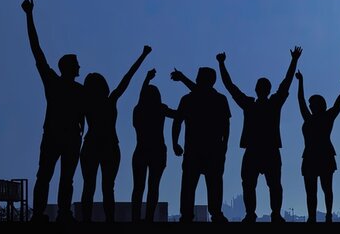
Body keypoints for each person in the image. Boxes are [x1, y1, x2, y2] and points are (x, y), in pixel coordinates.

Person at [213, 47, 301, 223]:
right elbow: (286, 82)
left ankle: (254, 214)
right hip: (267, 150)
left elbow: (230, 87)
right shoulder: (272, 103)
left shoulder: (250, 105)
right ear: (268, 90)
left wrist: (222, 64)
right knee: (270, 185)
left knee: (253, 184)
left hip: (255, 150)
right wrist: (294, 60)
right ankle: (271, 214)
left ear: (257, 89)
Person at [21, 0, 85, 222]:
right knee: (52, 176)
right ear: (68, 67)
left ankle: (54, 213)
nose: (79, 66)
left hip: (63, 136)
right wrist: (29, 16)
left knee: (57, 177)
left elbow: (83, 114)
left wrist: (80, 130)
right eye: (76, 63)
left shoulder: (70, 87)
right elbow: (36, 49)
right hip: (59, 136)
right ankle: (51, 213)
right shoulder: (56, 83)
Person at [80, 46, 151, 222]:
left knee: (89, 186)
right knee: (107, 187)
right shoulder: (110, 101)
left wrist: (142, 56)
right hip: (109, 146)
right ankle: (109, 221)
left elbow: (127, 78)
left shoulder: (87, 103)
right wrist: (143, 55)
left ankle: (87, 220)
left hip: (93, 145)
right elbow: (127, 78)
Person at [171, 67, 230, 223]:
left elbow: (177, 122)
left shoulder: (189, 99)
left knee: (191, 184)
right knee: (213, 183)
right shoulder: (219, 99)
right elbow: (226, 125)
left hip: (195, 149)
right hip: (211, 149)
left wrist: (174, 142)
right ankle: (215, 213)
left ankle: (188, 214)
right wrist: (225, 145)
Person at [295, 67, 340, 223]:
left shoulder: (324, 117)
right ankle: (314, 216)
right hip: (316, 156)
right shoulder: (315, 118)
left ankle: (326, 215)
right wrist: (301, 82)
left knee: (324, 189)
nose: (309, 105)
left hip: (319, 156)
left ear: (318, 105)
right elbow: (301, 100)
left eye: (311, 103)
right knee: (314, 190)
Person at [130, 69, 178, 222]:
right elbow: (178, 114)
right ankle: (149, 217)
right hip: (158, 151)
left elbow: (140, 98)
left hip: (141, 150)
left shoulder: (138, 110)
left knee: (138, 187)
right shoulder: (160, 109)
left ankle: (135, 218)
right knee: (153, 186)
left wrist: (146, 79)